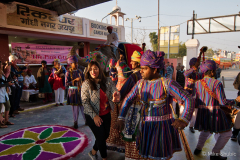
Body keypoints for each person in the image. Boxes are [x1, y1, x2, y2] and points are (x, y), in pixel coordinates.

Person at [115, 50, 194, 160]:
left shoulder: (167, 83)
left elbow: (187, 98)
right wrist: (121, 118)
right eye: (141, 68)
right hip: (145, 128)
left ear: (155, 69)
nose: (141, 71)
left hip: (161, 129)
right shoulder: (140, 84)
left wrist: (184, 119)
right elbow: (128, 99)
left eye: (144, 68)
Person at [193, 60, 240, 160]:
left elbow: (196, 101)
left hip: (202, 113)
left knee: (206, 130)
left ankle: (198, 148)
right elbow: (223, 102)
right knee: (227, 133)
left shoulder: (197, 84)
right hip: (215, 113)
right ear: (212, 72)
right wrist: (235, 101)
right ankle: (215, 153)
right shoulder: (217, 83)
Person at [81, 61, 120, 160]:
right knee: (101, 136)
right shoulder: (86, 84)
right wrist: (94, 116)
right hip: (92, 115)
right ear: (88, 71)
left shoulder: (107, 80)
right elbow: (85, 102)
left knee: (105, 135)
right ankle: (104, 158)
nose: (93, 71)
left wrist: (116, 94)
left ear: (100, 69)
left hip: (106, 113)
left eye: (95, 68)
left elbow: (114, 89)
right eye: (91, 69)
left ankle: (93, 152)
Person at [183, 56, 204, 133]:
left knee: (195, 112)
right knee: (184, 111)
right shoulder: (188, 72)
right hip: (186, 95)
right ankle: (182, 123)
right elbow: (185, 74)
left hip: (196, 95)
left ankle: (191, 126)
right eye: (195, 65)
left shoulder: (198, 74)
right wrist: (194, 68)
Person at [65, 55, 85, 129]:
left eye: (77, 63)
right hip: (73, 92)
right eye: (74, 63)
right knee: (75, 108)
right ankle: (75, 121)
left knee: (83, 106)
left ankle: (86, 120)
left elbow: (84, 80)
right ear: (71, 64)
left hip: (81, 91)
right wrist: (74, 81)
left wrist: (82, 82)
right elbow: (66, 83)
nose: (76, 64)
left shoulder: (80, 71)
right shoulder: (68, 73)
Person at [0, 61, 14, 128]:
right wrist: (7, 84)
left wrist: (8, 83)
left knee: (8, 106)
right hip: (0, 92)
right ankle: (0, 122)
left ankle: (6, 120)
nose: (1, 65)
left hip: (4, 92)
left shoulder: (2, 73)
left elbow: (3, 81)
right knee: (0, 108)